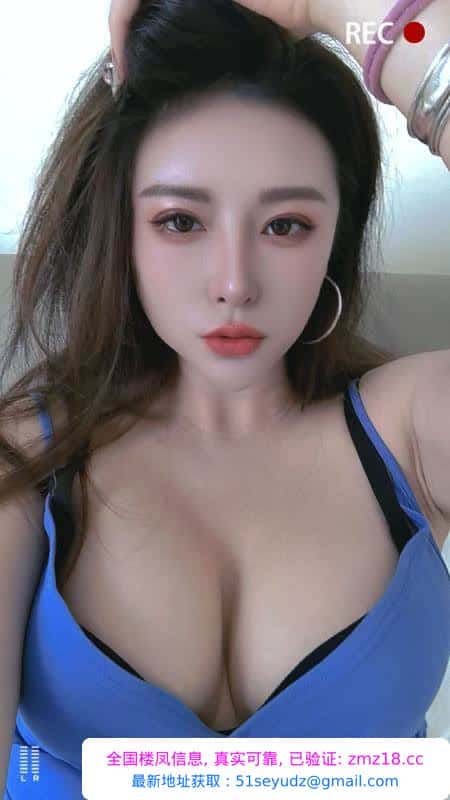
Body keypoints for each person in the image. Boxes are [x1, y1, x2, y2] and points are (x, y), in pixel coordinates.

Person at [1, 0, 449, 796]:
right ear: (121, 229)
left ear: (337, 236)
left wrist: (344, 8)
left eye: (286, 226)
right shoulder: (30, 461)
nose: (235, 283)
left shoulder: (410, 428)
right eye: (180, 221)